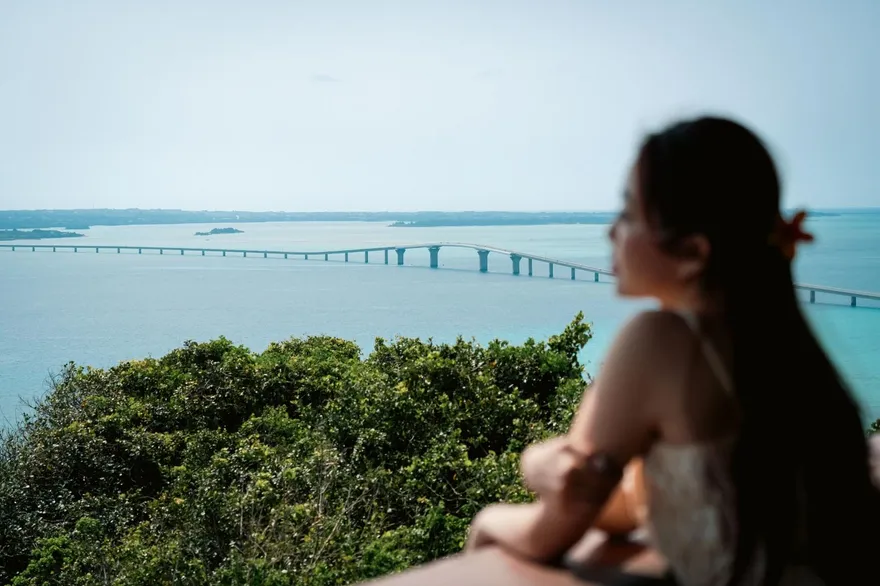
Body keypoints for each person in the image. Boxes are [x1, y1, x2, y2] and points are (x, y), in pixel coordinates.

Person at [464, 116, 880, 585]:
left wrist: (492, 513)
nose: (610, 233)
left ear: (692, 254)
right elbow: (621, 505)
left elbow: (559, 523)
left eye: (628, 214)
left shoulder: (659, 340)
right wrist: (552, 469)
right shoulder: (785, 348)